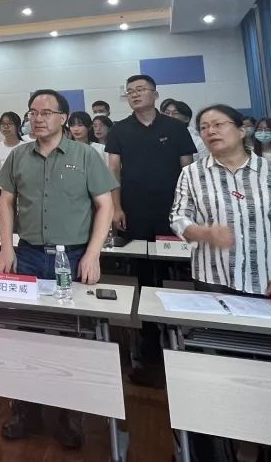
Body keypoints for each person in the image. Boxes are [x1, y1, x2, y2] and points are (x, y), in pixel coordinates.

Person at [0, 90, 116, 449]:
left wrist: (93, 253)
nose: (37, 118)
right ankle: (27, 409)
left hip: (73, 256)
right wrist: (7, 247)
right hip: (30, 255)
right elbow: (6, 202)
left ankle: (70, 415)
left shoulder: (85, 155)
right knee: (27, 333)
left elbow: (105, 206)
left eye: (46, 112)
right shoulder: (19, 156)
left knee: (74, 336)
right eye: (32, 112)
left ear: (63, 117)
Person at [105, 74, 195, 383]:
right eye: (130, 91)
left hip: (172, 214)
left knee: (173, 273)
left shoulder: (175, 128)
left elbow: (188, 171)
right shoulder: (119, 130)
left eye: (141, 89)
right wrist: (116, 207)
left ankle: (180, 334)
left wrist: (188, 211)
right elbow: (113, 171)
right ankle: (148, 343)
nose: (135, 94)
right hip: (135, 213)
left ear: (155, 94)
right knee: (142, 275)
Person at [171, 104, 271, 300]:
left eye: (218, 124)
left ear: (241, 131)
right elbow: (178, 217)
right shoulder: (192, 173)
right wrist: (202, 232)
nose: (210, 131)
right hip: (212, 277)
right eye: (203, 127)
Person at [0, 112, 24, 208]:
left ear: (18, 126)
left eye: (10, 124)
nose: (6, 127)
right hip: (3, 193)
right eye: (3, 124)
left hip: (23, 193)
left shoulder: (25, 147)